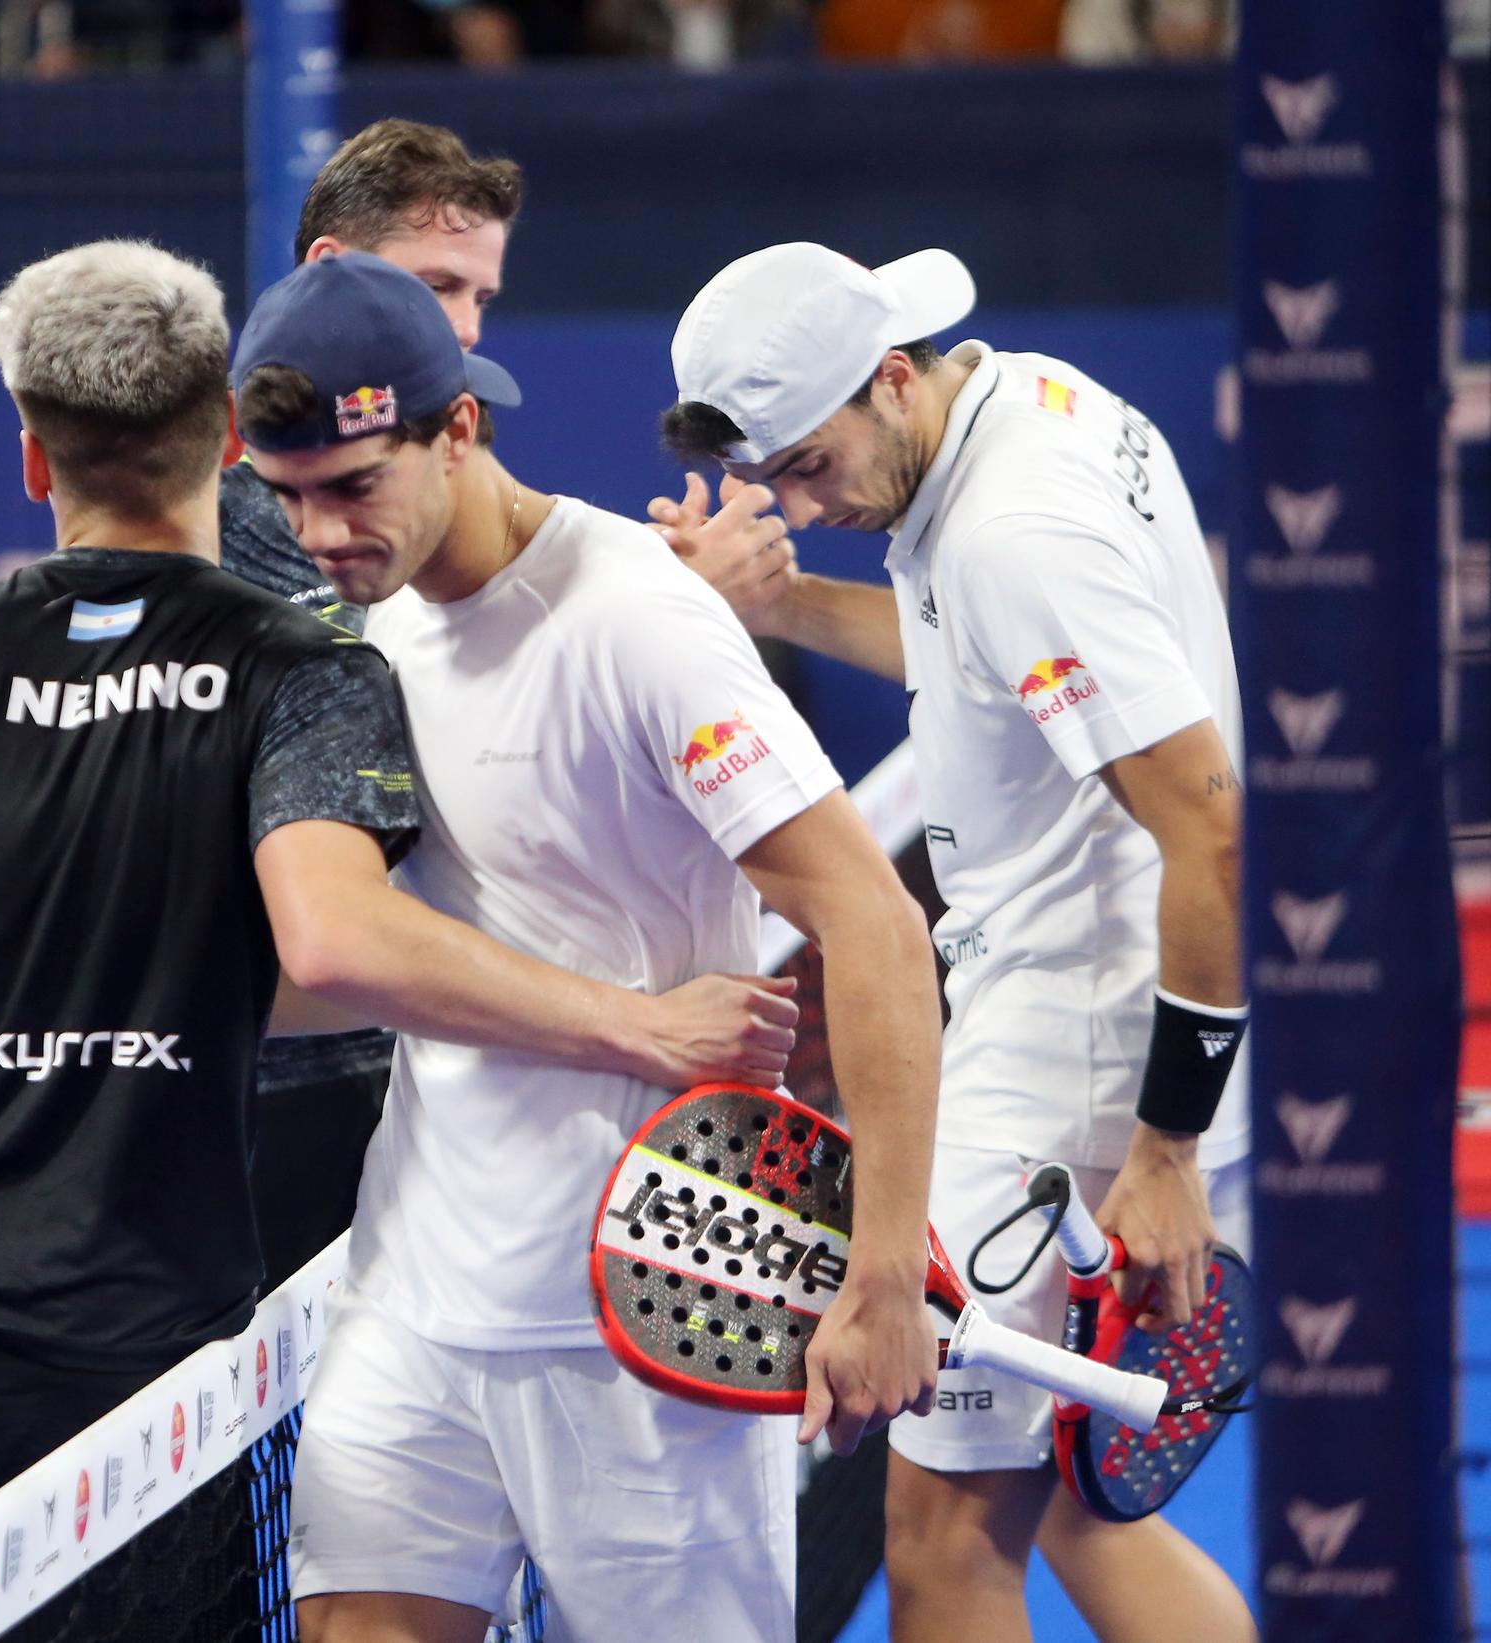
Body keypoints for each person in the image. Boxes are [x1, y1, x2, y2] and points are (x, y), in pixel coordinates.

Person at [0, 236, 796, 1634]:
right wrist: (630, 1015)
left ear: (34, 458)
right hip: (124, 1325)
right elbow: (332, 951)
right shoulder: (306, 669)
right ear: (227, 437)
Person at [233, 249, 944, 1643]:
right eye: (288, 494)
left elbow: (872, 917)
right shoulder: (355, 637)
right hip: (415, 1300)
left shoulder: (637, 618)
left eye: (351, 485)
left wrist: (882, 1269)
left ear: (459, 428)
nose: (318, 531)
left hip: (654, 1324)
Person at [662, 241, 1254, 1642]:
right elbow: (971, 651)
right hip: (1091, 1029)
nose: (807, 504)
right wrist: (779, 603)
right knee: (1073, 1504)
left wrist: (1163, 1151)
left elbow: (1217, 834)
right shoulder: (1026, 398)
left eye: (812, 464)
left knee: (936, 1545)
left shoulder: (1012, 530)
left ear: (887, 375)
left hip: (1076, 1074)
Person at [230, 116, 797, 1292]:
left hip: (425, 1083)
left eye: (480, 293)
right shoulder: (263, 524)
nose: (468, 326)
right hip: (280, 1084)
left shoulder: (447, 478)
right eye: (439, 285)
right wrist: (681, 598)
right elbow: (353, 696)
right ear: (334, 269)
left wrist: (670, 610)